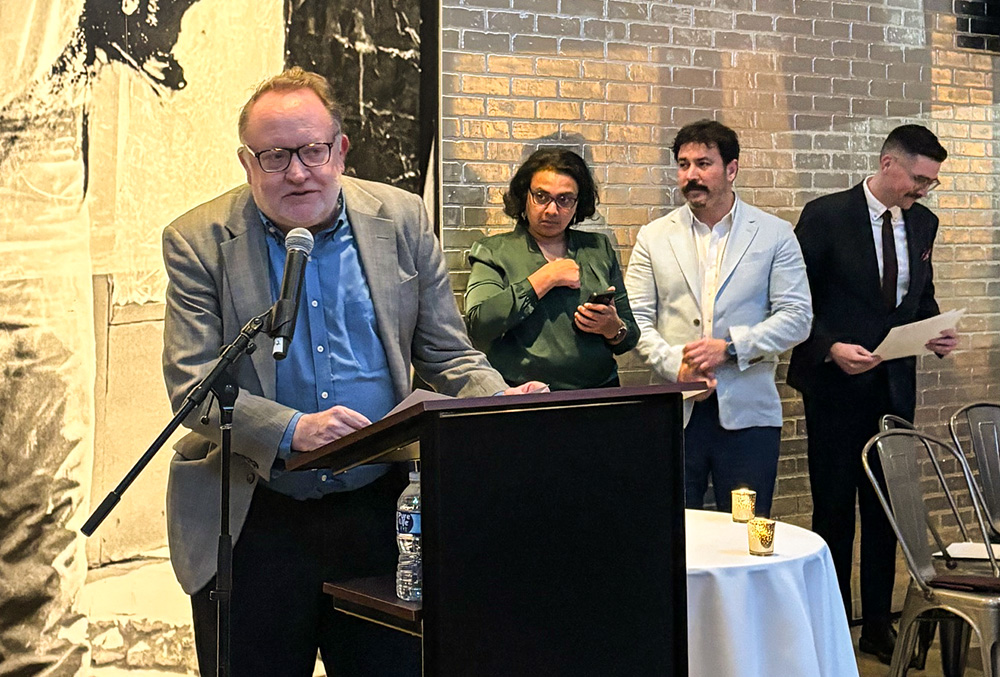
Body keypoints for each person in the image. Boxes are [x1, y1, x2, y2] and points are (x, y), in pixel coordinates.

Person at [160, 67, 543, 677]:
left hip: (384, 514)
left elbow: (451, 355)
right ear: (247, 162)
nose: (297, 171)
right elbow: (193, 387)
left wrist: (496, 404)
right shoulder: (197, 240)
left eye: (312, 150)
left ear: (340, 149)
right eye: (274, 156)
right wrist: (292, 430)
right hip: (254, 517)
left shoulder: (403, 219)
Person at [787, 124, 958, 664]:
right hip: (835, 388)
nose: (922, 191)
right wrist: (830, 346)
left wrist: (935, 328)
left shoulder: (924, 222)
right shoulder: (825, 215)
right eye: (918, 178)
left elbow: (918, 298)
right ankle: (833, 623)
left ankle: (879, 627)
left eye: (930, 183)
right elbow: (792, 302)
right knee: (834, 510)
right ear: (888, 165)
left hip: (892, 390)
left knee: (887, 512)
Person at [624, 119, 812, 516]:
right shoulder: (653, 236)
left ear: (732, 169)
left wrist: (729, 349)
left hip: (750, 415)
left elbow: (797, 317)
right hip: (676, 411)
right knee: (674, 531)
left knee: (748, 533)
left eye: (703, 163)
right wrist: (677, 366)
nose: (691, 174)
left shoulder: (775, 234)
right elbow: (636, 319)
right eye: (683, 164)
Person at [464, 148, 639, 390]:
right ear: (525, 196)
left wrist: (613, 328)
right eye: (541, 196)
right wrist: (545, 278)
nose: (551, 210)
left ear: (578, 204)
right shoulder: (493, 251)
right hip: (524, 396)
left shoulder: (598, 248)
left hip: (599, 393)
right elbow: (479, 325)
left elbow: (628, 337)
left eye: (564, 199)